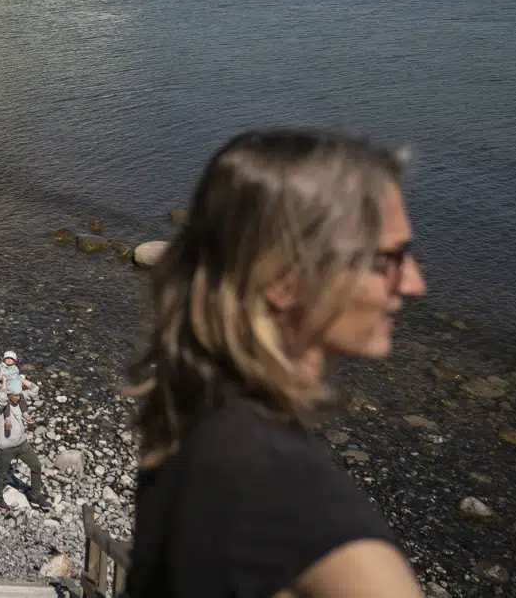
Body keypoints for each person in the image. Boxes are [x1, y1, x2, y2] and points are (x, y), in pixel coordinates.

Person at [127, 129, 426, 598]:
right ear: (285, 281)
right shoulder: (300, 504)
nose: (413, 283)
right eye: (387, 259)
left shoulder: (184, 413)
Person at [0, 384, 47, 512]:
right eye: (15, 395)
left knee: (36, 466)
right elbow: (1, 399)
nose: (18, 397)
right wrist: (5, 381)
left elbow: (34, 389)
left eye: (19, 394)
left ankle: (35, 497)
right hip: (5, 448)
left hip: (22, 444)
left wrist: (18, 378)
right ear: (8, 394)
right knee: (1, 474)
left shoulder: (19, 399)